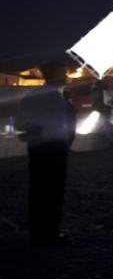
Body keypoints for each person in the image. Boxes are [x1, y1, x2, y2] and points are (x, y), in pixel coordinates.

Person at [16, 62, 76, 245]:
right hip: (54, 149)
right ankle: (49, 232)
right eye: (64, 72)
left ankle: (38, 230)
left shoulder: (31, 96)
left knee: (38, 189)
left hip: (37, 149)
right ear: (56, 75)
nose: (67, 76)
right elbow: (64, 127)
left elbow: (20, 125)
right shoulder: (57, 100)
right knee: (53, 191)